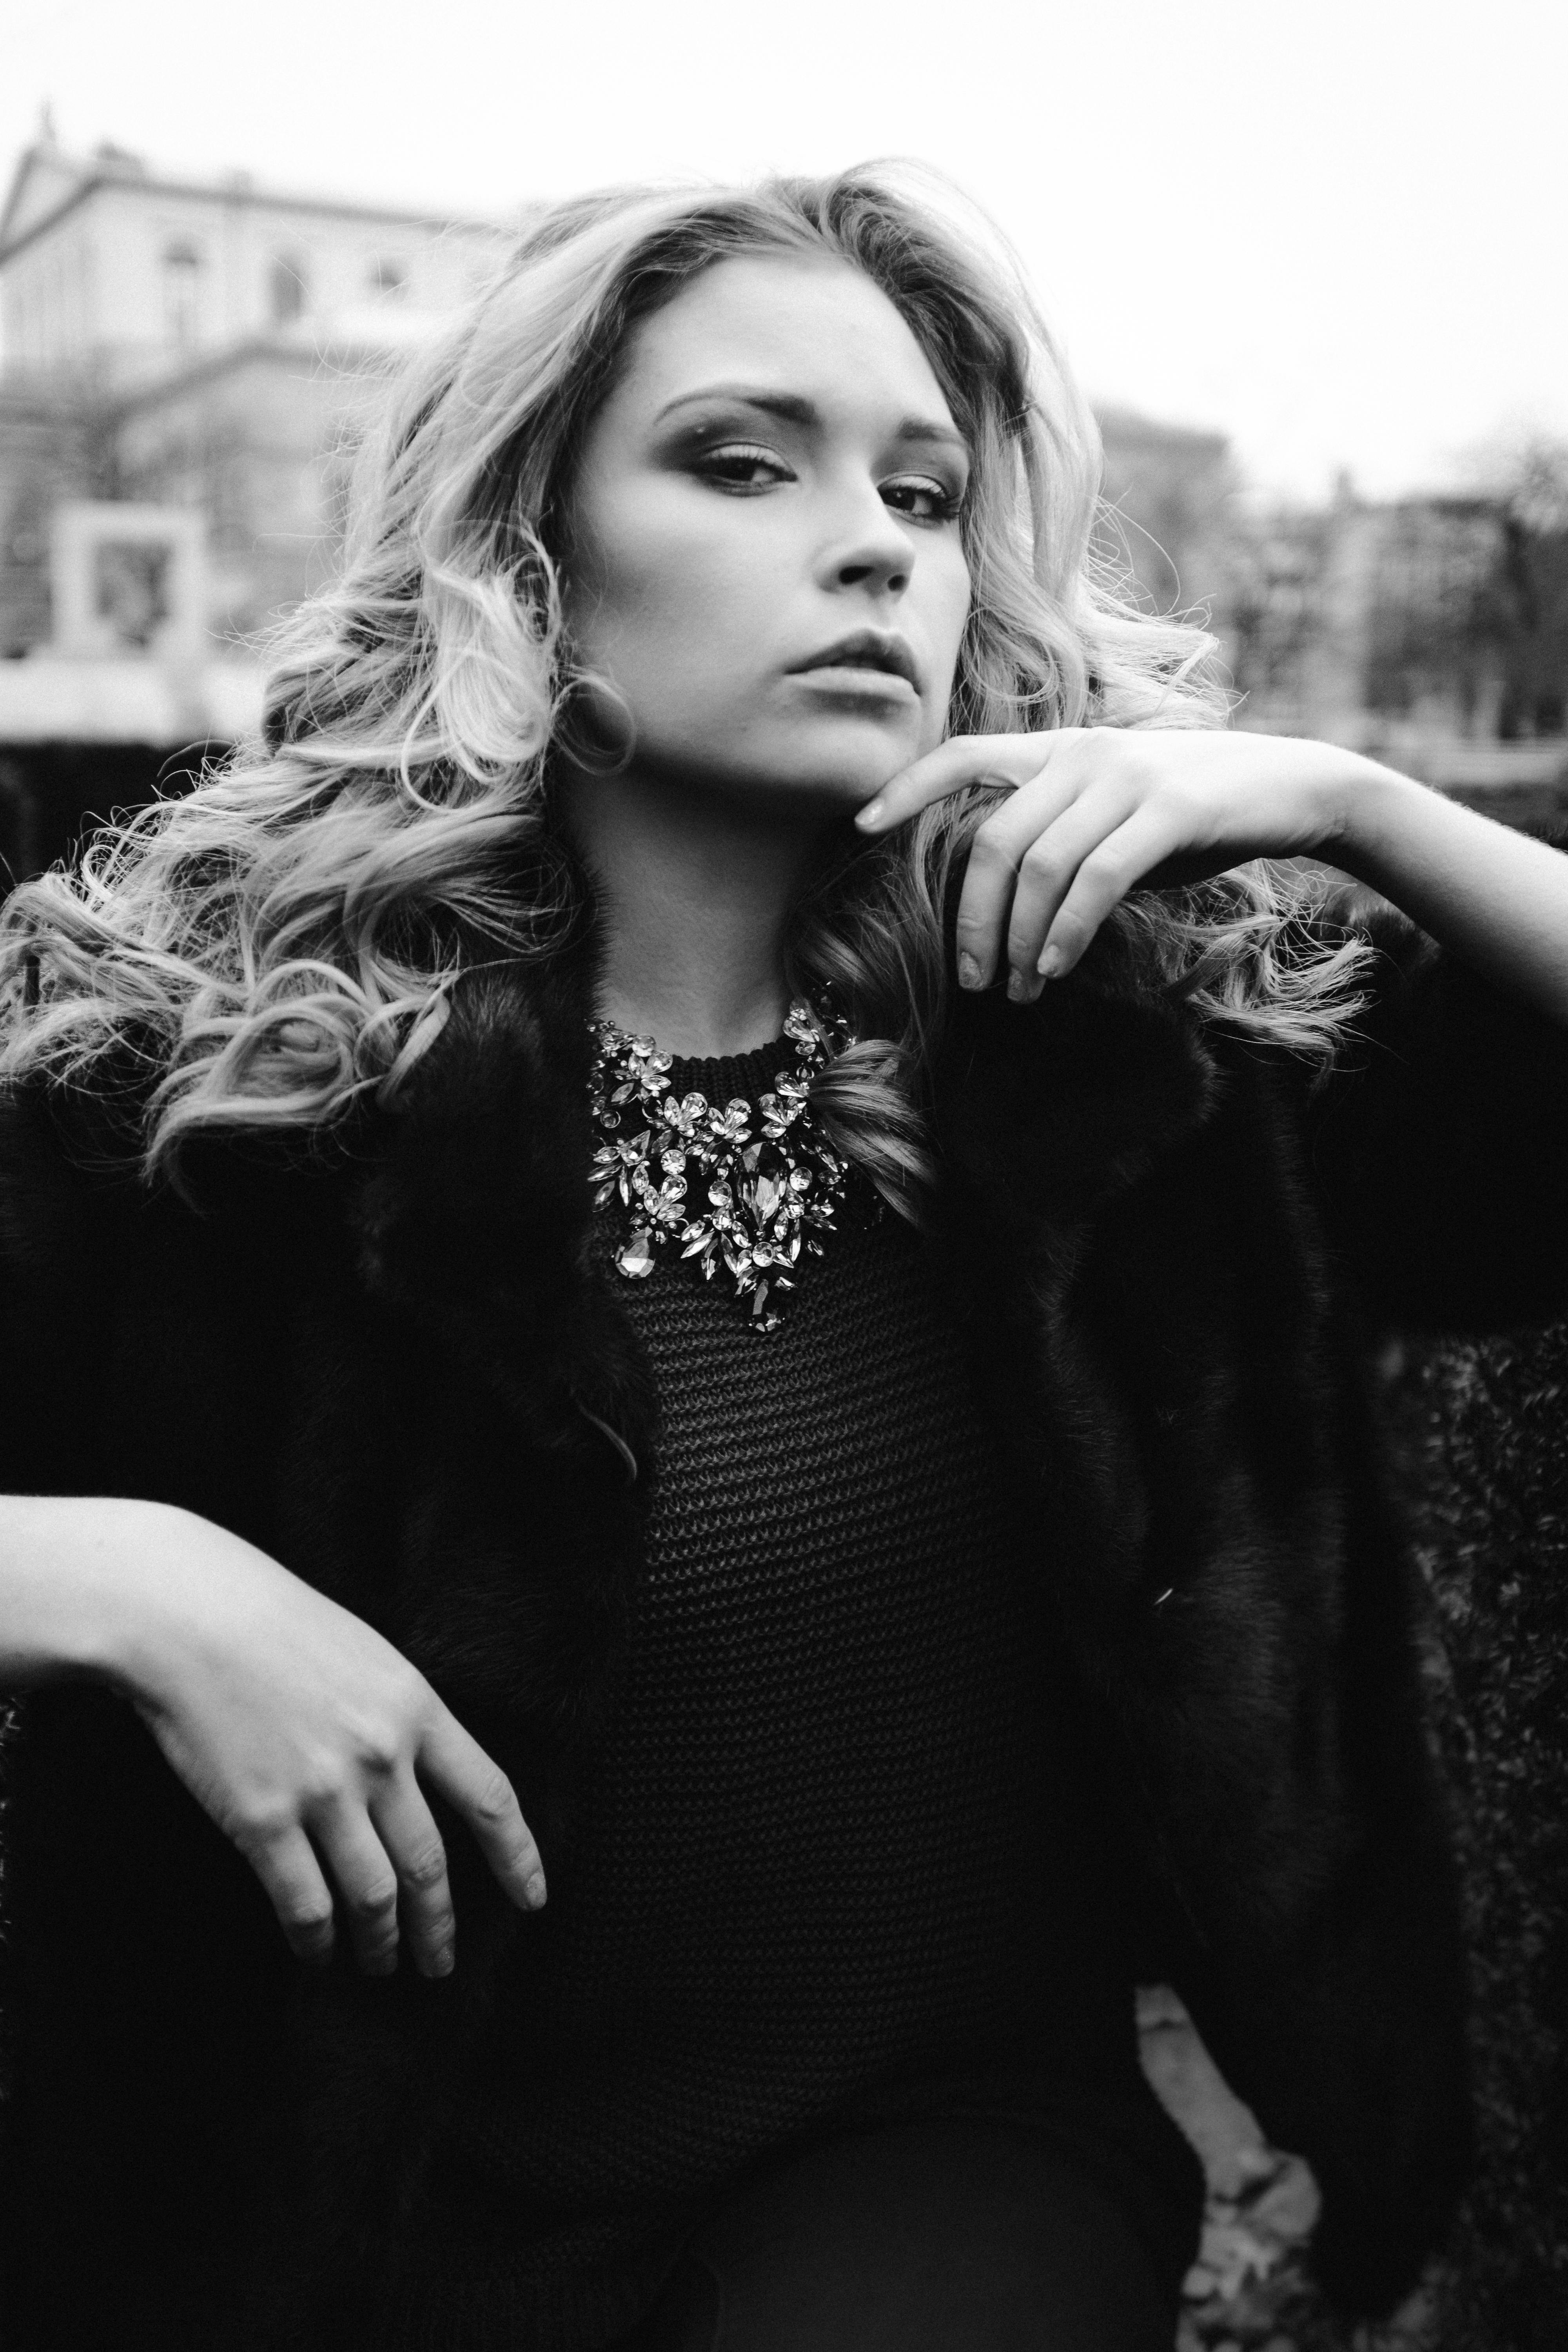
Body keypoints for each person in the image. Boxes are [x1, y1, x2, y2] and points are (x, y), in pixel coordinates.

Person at [1, 165, 1566, 2352]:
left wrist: (1360, 806)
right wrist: (111, 1578)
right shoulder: (221, 1077)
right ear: (528, 542)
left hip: (942, 2178)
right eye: (742, 462)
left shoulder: (1123, 1064)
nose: (875, 547)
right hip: (332, 2222)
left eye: (927, 496)